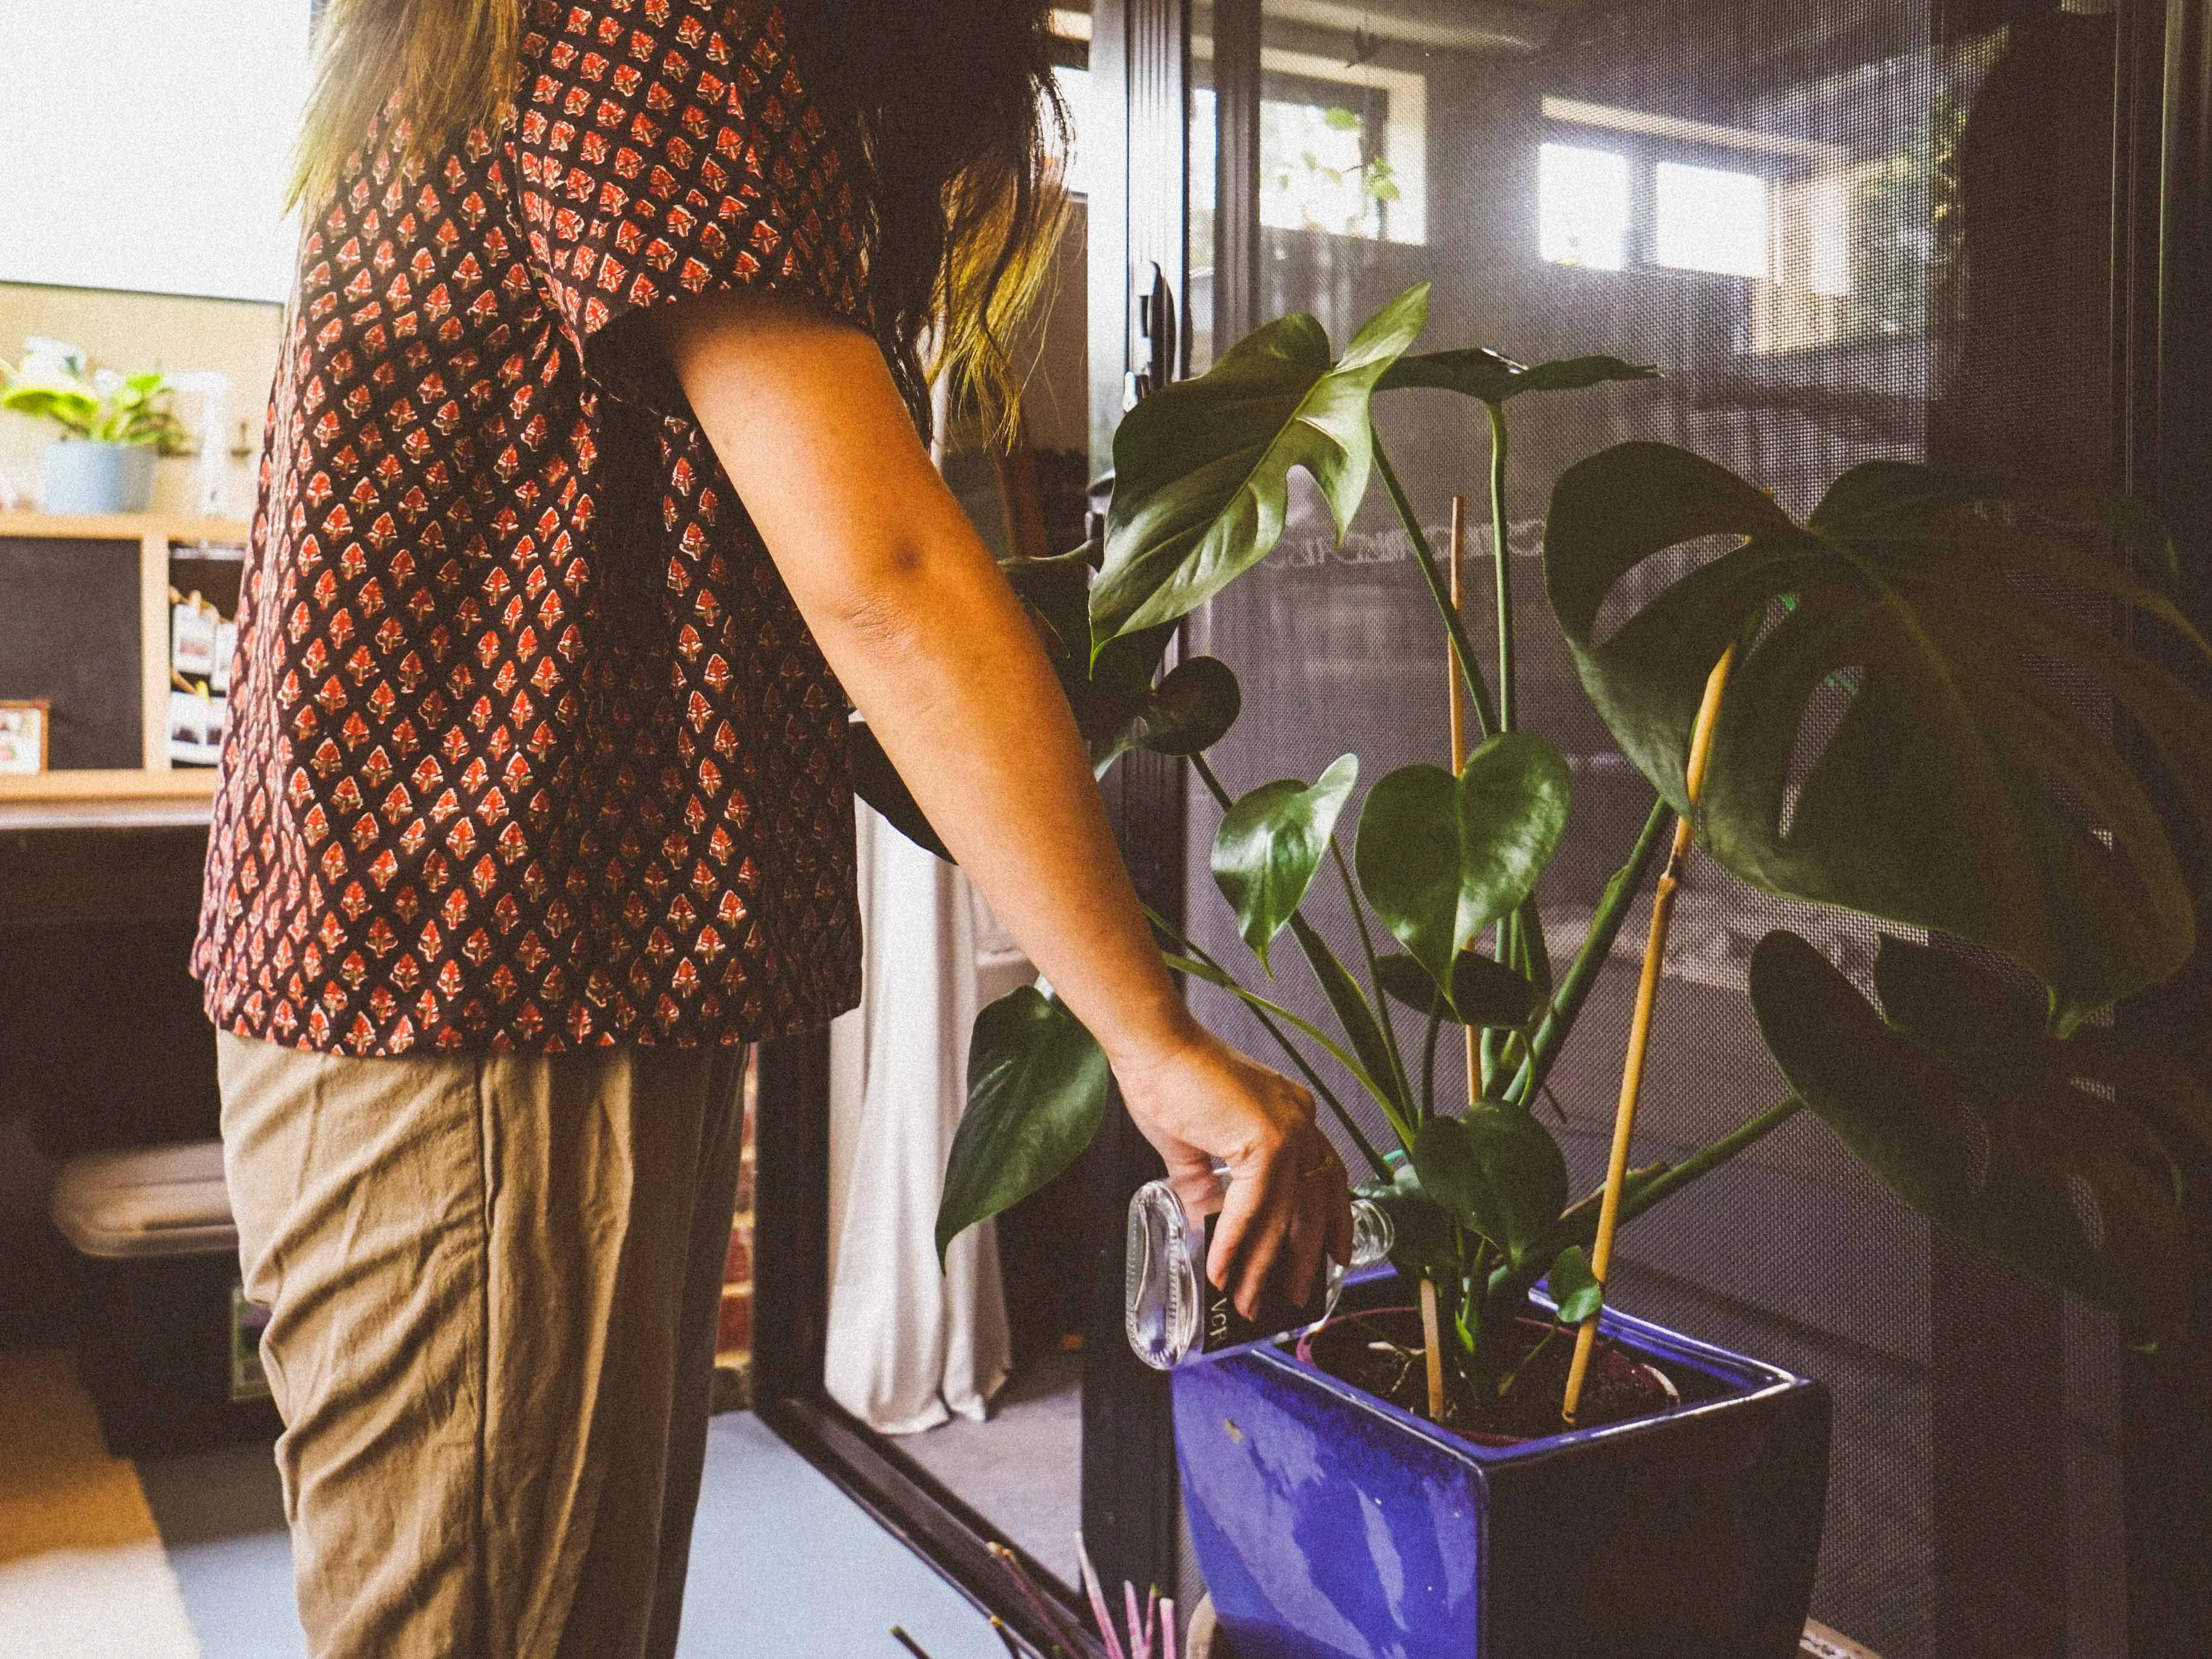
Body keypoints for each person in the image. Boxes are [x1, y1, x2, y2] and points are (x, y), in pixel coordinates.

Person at [191, 1, 1353, 1654]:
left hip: (480, 972)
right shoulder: (645, 23)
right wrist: (1151, 1036)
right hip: (497, 992)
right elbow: (881, 573)